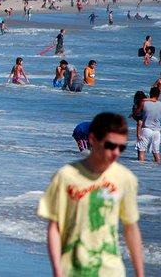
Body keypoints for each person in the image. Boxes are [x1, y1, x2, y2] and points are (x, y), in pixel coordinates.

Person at [38, 112, 144, 277]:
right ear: (93, 140)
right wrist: (57, 270)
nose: (116, 153)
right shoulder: (66, 176)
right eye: (110, 146)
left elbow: (131, 229)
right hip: (72, 269)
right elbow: (55, 228)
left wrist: (140, 273)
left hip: (112, 270)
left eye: (121, 147)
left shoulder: (125, 178)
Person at [135, 86, 161, 163]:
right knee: (156, 153)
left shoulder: (144, 103)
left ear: (150, 94)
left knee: (141, 151)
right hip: (157, 131)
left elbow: (135, 114)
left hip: (146, 129)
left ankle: (141, 170)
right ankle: (157, 170)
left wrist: (134, 117)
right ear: (159, 95)